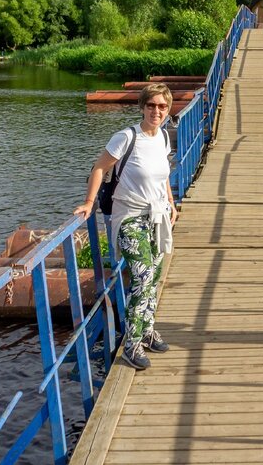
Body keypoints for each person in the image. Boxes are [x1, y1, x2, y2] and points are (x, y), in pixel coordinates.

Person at [75, 83, 178, 370]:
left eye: (162, 106)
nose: (156, 111)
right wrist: (88, 202)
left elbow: (162, 174)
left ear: (168, 110)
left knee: (154, 273)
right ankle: (132, 344)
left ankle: (146, 330)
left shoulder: (163, 138)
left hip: (156, 215)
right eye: (151, 105)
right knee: (143, 275)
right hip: (129, 216)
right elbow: (99, 167)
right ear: (142, 106)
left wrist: (171, 202)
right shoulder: (126, 137)